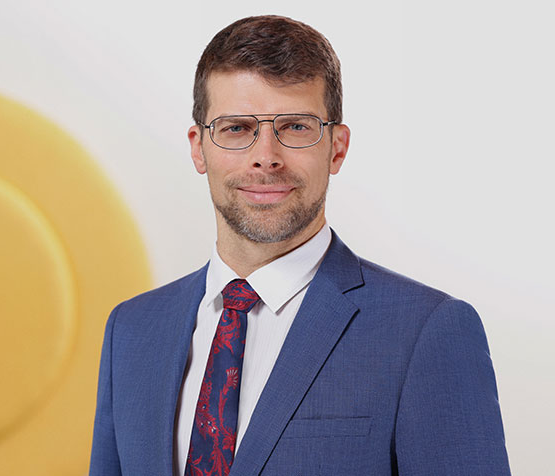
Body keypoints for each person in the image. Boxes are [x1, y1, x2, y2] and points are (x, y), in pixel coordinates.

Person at [88, 15, 510, 476]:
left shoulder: (426, 332)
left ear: (337, 147)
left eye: (294, 127)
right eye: (236, 128)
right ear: (198, 147)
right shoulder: (132, 331)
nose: (265, 157)